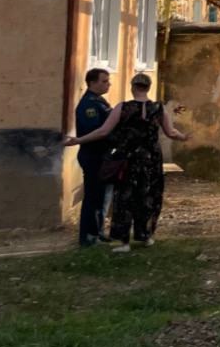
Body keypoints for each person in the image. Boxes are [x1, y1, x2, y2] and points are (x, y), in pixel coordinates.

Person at [65, 73, 188, 252]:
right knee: (148, 195)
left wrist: (78, 140)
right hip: (151, 158)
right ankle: (145, 235)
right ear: (149, 87)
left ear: (132, 87)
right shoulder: (158, 108)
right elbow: (171, 132)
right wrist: (184, 137)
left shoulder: (122, 107)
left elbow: (103, 131)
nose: (108, 84)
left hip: (128, 158)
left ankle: (123, 241)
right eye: (105, 81)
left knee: (125, 196)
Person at [74, 68, 113, 247]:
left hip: (102, 154)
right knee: (92, 196)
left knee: (101, 196)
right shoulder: (89, 105)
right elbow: (97, 130)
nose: (108, 84)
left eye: (108, 81)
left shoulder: (100, 101)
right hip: (93, 154)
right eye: (104, 81)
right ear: (92, 82)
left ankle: (97, 231)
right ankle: (88, 236)